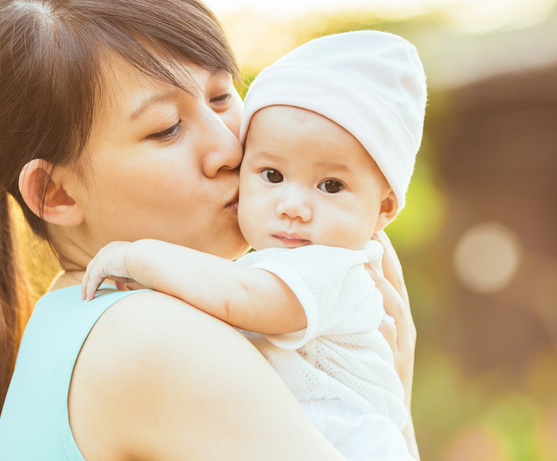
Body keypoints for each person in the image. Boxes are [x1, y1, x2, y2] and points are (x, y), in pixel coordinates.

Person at [0, 0, 417, 461]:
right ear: (57, 193)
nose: (228, 148)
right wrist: (392, 405)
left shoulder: (66, 330)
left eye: (222, 95)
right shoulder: (155, 341)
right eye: (166, 128)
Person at [82, 30, 426, 460]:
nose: (294, 207)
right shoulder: (264, 269)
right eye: (272, 175)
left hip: (349, 436)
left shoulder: (334, 268)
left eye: (331, 185)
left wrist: (137, 255)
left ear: (384, 208)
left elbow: (240, 298)